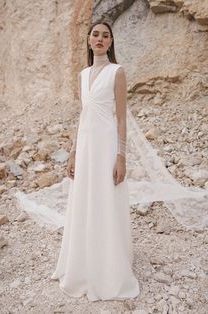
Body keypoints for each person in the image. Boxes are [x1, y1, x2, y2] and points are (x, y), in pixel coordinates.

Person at [50, 21, 140, 301]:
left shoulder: (117, 72)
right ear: (89, 41)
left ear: (111, 42)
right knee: (84, 200)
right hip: (87, 147)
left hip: (106, 146)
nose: (100, 39)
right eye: (96, 35)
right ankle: (84, 263)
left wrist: (121, 156)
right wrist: (74, 152)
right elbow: (82, 116)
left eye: (106, 35)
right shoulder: (82, 74)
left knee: (105, 199)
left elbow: (122, 118)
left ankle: (110, 267)